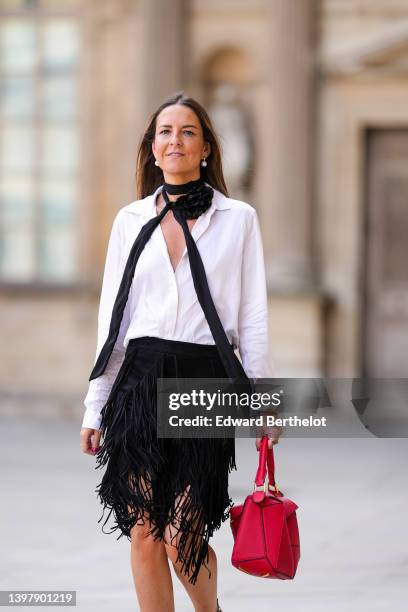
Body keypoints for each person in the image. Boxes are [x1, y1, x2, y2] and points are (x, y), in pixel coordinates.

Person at [79, 91, 282, 612]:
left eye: (188, 132)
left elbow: (252, 318)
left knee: (181, 533)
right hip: (139, 382)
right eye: (165, 132)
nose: (175, 141)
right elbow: (113, 322)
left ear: (207, 147)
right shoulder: (130, 220)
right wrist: (95, 405)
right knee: (144, 531)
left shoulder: (238, 219)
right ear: (151, 148)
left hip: (204, 381)